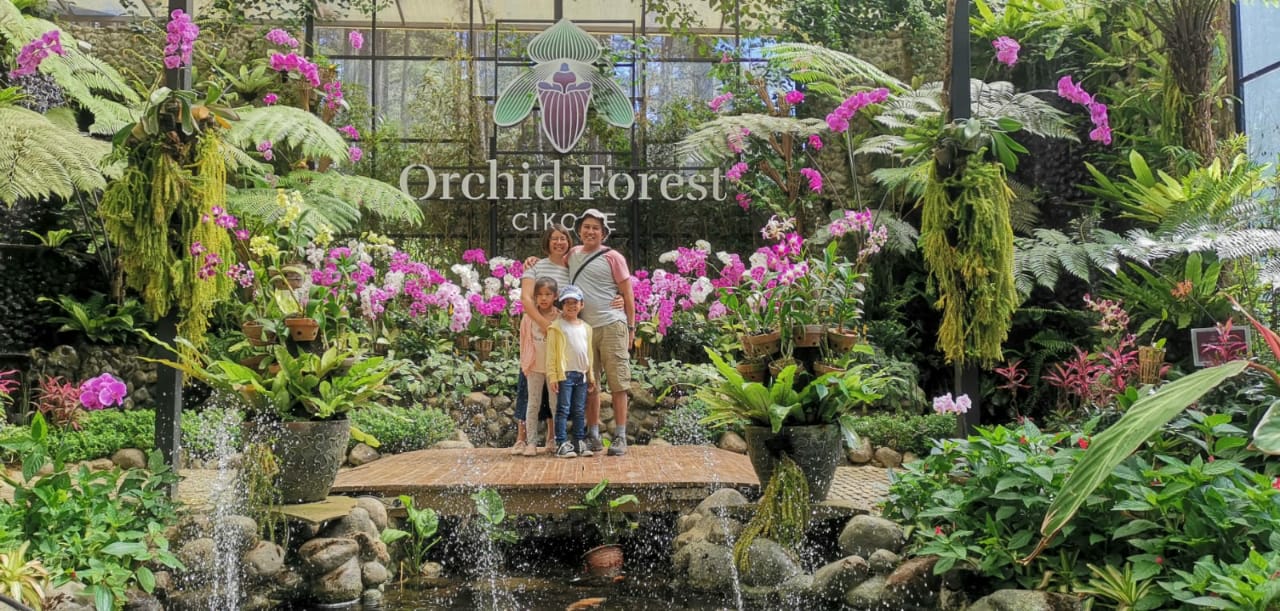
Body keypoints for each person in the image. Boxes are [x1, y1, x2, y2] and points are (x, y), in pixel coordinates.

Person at [569, 209, 635, 456]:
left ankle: (620, 436)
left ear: (603, 233)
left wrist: (631, 328)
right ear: (579, 230)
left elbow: (627, 293)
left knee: (618, 382)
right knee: (590, 384)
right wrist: (532, 260)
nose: (590, 231)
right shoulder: (572, 255)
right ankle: (593, 435)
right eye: (586, 227)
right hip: (584, 329)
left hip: (612, 325)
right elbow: (553, 261)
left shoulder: (613, 257)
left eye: (595, 228)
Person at [514, 225, 574, 454]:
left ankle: (552, 438)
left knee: (555, 389)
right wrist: (543, 324)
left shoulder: (572, 267)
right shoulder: (535, 266)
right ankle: (523, 439)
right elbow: (526, 299)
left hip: (559, 332)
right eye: (554, 239)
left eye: (563, 238)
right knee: (528, 388)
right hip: (536, 330)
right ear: (547, 242)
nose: (559, 242)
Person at [546, 284, 595, 458]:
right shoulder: (556, 327)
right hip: (565, 374)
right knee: (563, 409)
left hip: (581, 375)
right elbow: (551, 354)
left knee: (579, 409)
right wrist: (553, 376)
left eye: (575, 302)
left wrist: (591, 375)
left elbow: (589, 353)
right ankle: (561, 443)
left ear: (581, 305)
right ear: (562, 306)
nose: (571, 306)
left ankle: (578, 441)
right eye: (567, 302)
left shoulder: (586, 328)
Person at [512, 277, 559, 457]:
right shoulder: (528, 318)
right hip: (534, 368)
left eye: (548, 294)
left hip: (553, 370)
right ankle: (531, 442)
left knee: (555, 405)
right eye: (539, 295)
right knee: (532, 405)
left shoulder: (560, 317)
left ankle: (556, 440)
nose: (543, 298)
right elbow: (524, 343)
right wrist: (526, 364)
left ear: (555, 296)